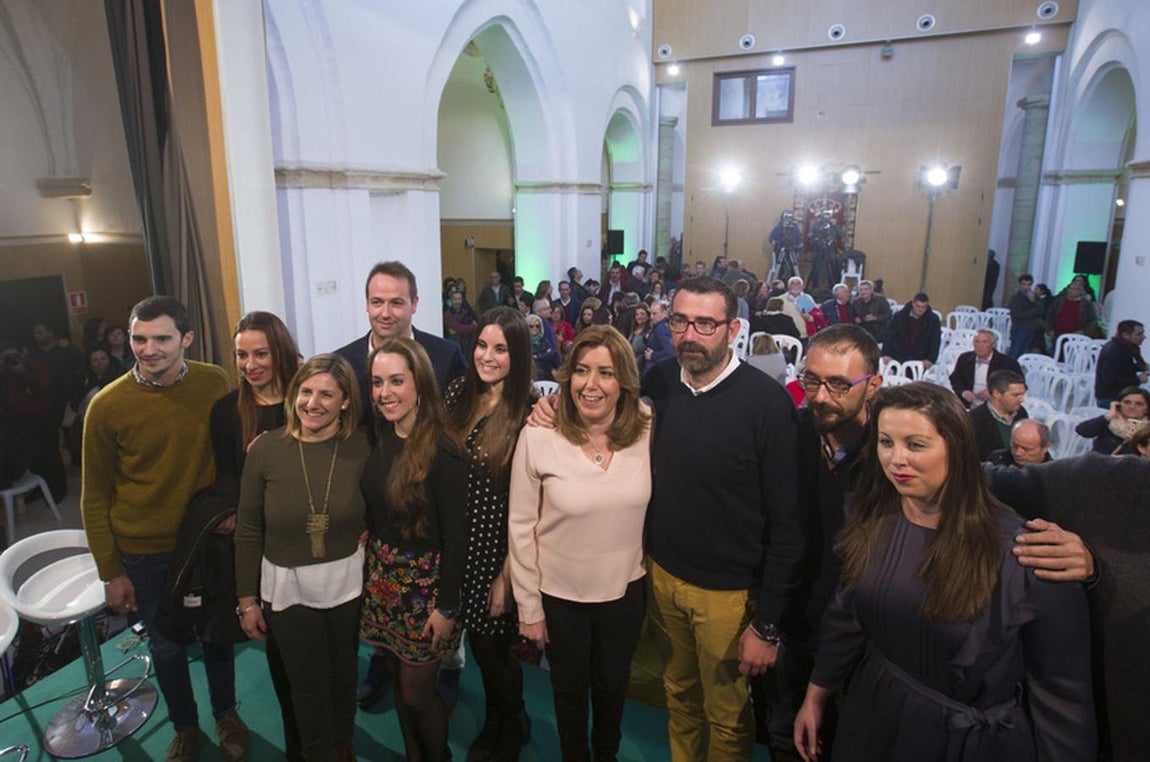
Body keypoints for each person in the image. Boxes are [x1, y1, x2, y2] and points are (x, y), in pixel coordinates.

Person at [794, 382, 1096, 762]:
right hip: (873, 717)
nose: (895, 459)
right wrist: (817, 692)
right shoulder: (871, 522)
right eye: (886, 442)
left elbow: (1063, 698)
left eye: (915, 445)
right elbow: (847, 614)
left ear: (956, 447)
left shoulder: (1027, 554)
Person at [81, 296, 249, 761]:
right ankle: (186, 726)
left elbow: (234, 459)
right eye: (139, 338)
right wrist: (110, 570)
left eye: (161, 338)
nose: (148, 349)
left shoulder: (216, 382)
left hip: (208, 542)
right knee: (167, 647)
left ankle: (226, 714)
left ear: (186, 339)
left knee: (218, 638)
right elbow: (94, 494)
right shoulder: (106, 406)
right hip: (144, 551)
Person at [509, 325, 652, 761]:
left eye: (606, 373)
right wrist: (529, 608)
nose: (592, 385)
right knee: (569, 694)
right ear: (567, 377)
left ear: (624, 381)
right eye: (582, 371)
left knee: (612, 691)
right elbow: (520, 526)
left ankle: (605, 755)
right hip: (559, 595)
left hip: (625, 591)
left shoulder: (647, 427)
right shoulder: (539, 434)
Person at [234, 354, 370, 762]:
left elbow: (386, 499)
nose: (313, 403)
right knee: (307, 683)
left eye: (327, 394)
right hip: (286, 587)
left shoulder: (363, 445)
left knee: (344, 674)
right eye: (306, 392)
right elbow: (248, 528)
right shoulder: (266, 450)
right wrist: (246, 600)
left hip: (346, 582)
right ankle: (315, 754)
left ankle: (342, 745)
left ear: (345, 401)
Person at [360, 339, 467, 761]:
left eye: (396, 381)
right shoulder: (383, 434)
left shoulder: (444, 449)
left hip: (427, 591)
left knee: (416, 693)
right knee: (395, 679)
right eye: (377, 382)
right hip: (384, 581)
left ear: (420, 382)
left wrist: (446, 608)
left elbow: (458, 538)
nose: (385, 392)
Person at [210, 311, 304, 760]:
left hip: (318, 545)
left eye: (260, 353)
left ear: (280, 351)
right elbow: (226, 480)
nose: (250, 364)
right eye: (242, 355)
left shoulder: (310, 399)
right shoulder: (226, 411)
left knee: (325, 661)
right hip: (266, 554)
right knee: (284, 663)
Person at [443, 308, 534, 761]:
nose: (487, 356)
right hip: (458, 546)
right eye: (482, 345)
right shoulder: (459, 392)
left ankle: (511, 721)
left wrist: (507, 575)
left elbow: (532, 506)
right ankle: (503, 715)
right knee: (482, 650)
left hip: (498, 554)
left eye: (500, 348)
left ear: (517, 354)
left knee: (493, 650)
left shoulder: (530, 414)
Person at [335, 260, 466, 428]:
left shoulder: (447, 355)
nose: (385, 313)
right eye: (377, 302)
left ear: (414, 304)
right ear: (367, 304)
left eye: (396, 303)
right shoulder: (342, 362)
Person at [948, 328, 1022, 407]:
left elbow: (1019, 384)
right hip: (967, 403)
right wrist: (963, 392)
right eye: (977, 341)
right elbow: (955, 379)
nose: (980, 345)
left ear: (993, 345)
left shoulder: (1007, 363)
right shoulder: (965, 358)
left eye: (985, 342)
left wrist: (994, 392)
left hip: (996, 405)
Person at [969, 369, 1029, 460]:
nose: (1022, 400)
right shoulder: (974, 421)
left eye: (1022, 394)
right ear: (996, 393)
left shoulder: (1021, 413)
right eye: (1016, 395)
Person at [1075, 386, 1150, 455]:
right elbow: (1082, 430)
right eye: (1127, 402)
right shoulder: (1109, 421)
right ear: (1118, 404)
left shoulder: (1147, 429)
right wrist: (1108, 416)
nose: (1132, 406)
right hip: (1100, 464)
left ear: (1147, 408)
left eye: (1139, 404)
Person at [1094, 320, 1148, 408]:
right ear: (1125, 335)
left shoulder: (1126, 347)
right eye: (1139, 334)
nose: (1143, 337)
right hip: (1110, 399)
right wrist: (1138, 380)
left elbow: (1123, 367)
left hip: (1119, 395)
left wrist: (1140, 367)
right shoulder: (1114, 351)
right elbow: (1110, 379)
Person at [881, 292, 941, 368]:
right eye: (918, 306)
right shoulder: (900, 316)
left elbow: (935, 341)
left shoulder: (933, 320)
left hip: (920, 359)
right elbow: (890, 336)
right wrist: (886, 353)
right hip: (898, 356)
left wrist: (930, 359)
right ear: (913, 304)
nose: (920, 309)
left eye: (923, 307)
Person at [1045, 280, 1099, 347]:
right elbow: (1049, 316)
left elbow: (1092, 319)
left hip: (1075, 336)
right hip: (1057, 334)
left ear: (1080, 291)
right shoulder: (1059, 301)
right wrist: (1049, 330)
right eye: (1070, 288)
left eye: (1074, 289)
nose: (1071, 290)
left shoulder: (1086, 304)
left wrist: (1084, 331)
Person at [986, 419, 1052, 467]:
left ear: (1045, 448)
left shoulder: (1054, 475)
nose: (1018, 453)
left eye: (1026, 449)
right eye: (1014, 446)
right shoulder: (996, 461)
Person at [1007, 274, 1043, 358]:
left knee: (1024, 353)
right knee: (1015, 352)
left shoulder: (1034, 296)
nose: (1026, 287)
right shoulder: (1015, 298)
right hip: (1019, 328)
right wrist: (1033, 312)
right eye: (1024, 284)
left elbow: (1042, 311)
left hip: (1031, 328)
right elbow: (1018, 314)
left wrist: (1033, 301)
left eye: (1029, 284)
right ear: (1020, 284)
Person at [851, 280, 891, 344]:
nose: (863, 292)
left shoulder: (880, 300)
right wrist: (855, 318)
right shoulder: (856, 302)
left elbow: (888, 315)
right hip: (863, 335)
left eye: (865, 289)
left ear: (871, 290)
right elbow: (853, 315)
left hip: (878, 335)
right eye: (861, 290)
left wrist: (875, 318)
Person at [642, 300, 675, 372]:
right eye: (650, 313)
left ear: (664, 313)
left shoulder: (662, 328)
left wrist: (653, 355)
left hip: (655, 369)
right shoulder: (658, 326)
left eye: (654, 314)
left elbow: (670, 352)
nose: (651, 317)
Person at [627, 302, 653, 372]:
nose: (639, 317)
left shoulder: (650, 332)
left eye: (642, 314)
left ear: (648, 316)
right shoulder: (633, 330)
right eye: (637, 314)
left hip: (640, 368)